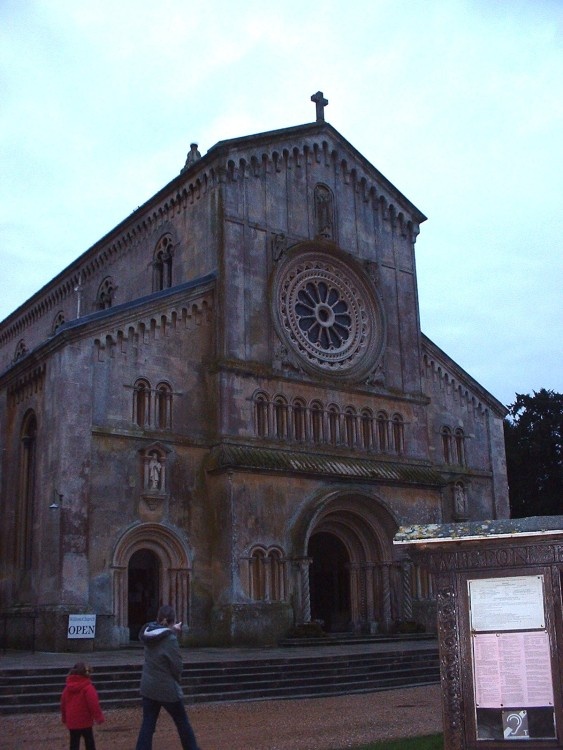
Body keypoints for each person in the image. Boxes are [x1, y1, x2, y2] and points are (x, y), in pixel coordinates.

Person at [135, 604, 200, 750]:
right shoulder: (170, 639)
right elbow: (176, 665)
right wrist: (177, 679)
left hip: (148, 687)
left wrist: (171, 631)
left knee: (148, 723)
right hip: (166, 688)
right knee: (182, 722)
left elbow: (160, 636)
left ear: (158, 618)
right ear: (172, 620)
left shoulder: (149, 634)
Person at [60, 662, 105, 750]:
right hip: (85, 720)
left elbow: (63, 705)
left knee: (74, 743)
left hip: (72, 721)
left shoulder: (67, 689)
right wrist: (99, 717)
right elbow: (93, 704)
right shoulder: (88, 687)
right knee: (89, 742)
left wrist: (64, 718)